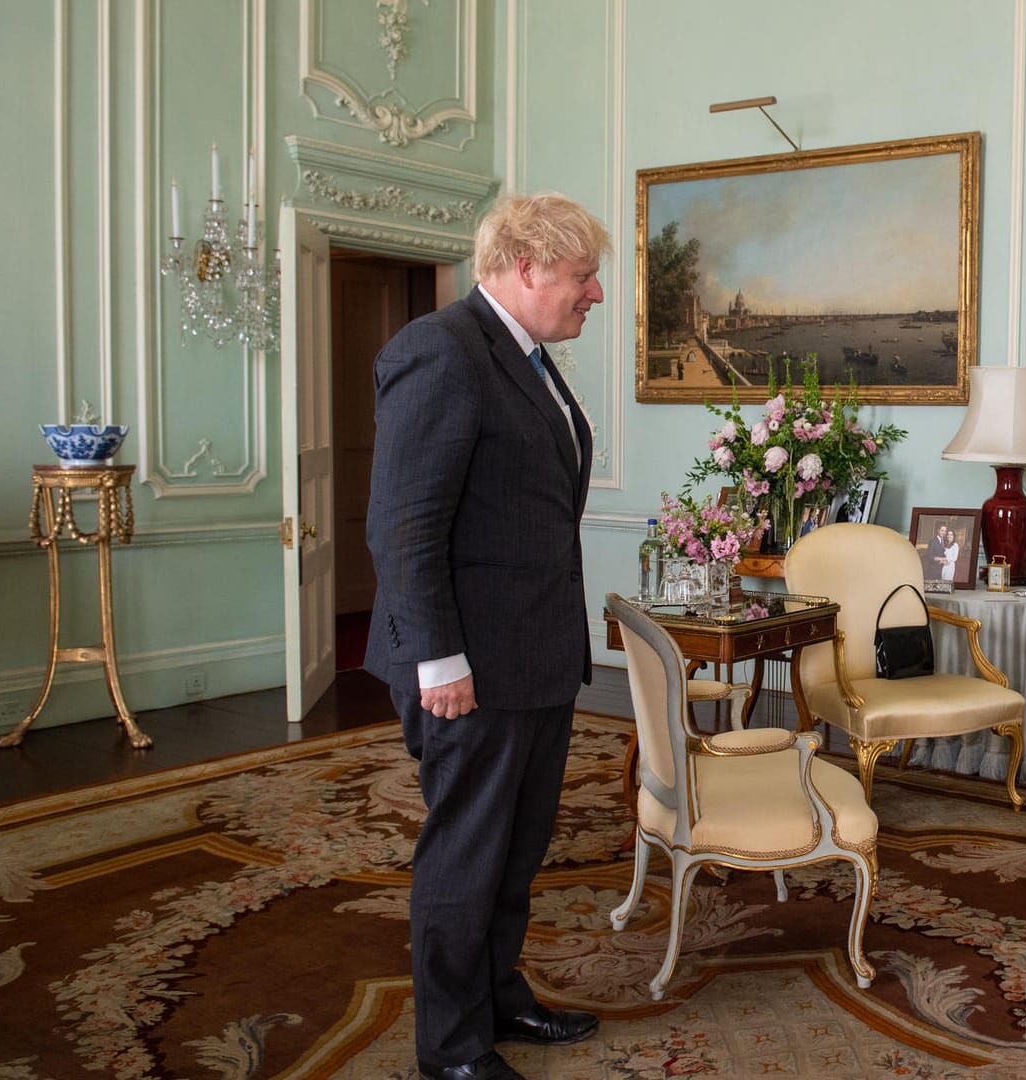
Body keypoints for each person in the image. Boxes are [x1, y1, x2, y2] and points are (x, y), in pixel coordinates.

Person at [364, 193, 608, 1080]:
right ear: (528, 265)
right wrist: (439, 659)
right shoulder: (443, 351)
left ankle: (501, 997)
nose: (597, 294)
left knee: (515, 851)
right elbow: (404, 527)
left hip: (532, 661)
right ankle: (454, 1048)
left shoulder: (526, 357)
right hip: (466, 666)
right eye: (584, 276)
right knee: (466, 857)